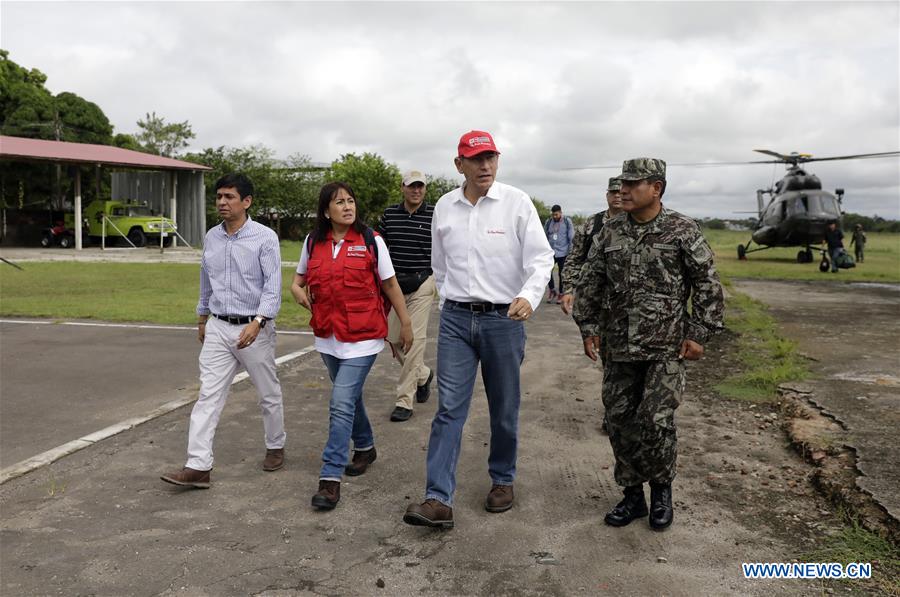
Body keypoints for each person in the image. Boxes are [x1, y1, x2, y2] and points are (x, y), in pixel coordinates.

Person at [403, 130, 554, 529]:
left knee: (504, 407)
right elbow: (440, 264)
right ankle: (438, 498)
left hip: (503, 320)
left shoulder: (516, 203)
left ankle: (502, 479)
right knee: (449, 409)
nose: (485, 165)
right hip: (455, 320)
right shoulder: (445, 208)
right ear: (460, 165)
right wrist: (447, 301)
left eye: (491, 157)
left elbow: (542, 259)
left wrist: (529, 295)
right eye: (476, 159)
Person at [574, 158, 724, 531]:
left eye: (632, 184)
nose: (622, 190)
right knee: (620, 420)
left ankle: (661, 491)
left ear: (656, 188)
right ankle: (631, 497)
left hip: (665, 348)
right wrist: (588, 326)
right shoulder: (610, 231)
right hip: (619, 345)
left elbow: (706, 282)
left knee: (655, 421)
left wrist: (699, 332)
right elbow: (591, 282)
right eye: (621, 183)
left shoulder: (682, 229)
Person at [291, 182, 413, 511]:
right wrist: (296, 290)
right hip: (327, 335)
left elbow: (389, 284)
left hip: (364, 337)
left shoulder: (372, 241)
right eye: (339, 202)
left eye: (350, 201)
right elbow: (298, 279)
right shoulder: (312, 242)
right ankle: (366, 446)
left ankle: (330, 479)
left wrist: (406, 323)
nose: (347, 207)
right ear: (325, 211)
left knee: (340, 401)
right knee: (350, 398)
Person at [161, 173, 285, 489]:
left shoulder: (265, 237)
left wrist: (258, 322)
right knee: (208, 396)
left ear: (247, 201)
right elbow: (206, 279)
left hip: (254, 328)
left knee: (268, 393)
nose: (221, 202)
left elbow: (272, 287)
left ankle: (275, 444)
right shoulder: (212, 237)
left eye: (229, 197)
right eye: (219, 196)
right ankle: (198, 466)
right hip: (218, 326)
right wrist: (202, 318)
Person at [377, 170, 436, 423]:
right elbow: (378, 247)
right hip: (396, 284)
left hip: (424, 281)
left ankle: (404, 401)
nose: (416, 191)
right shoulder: (390, 215)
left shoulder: (436, 214)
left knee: (414, 341)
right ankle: (423, 375)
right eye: (412, 186)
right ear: (403, 187)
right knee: (393, 339)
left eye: (420, 186)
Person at [559, 177, 623, 316]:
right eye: (613, 192)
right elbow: (575, 257)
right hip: (594, 299)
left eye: (620, 192)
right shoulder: (592, 223)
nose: (617, 196)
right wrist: (569, 290)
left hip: (624, 302)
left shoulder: (637, 223)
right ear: (607, 196)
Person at [544, 204, 575, 303]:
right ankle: (552, 290)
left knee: (562, 274)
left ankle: (561, 294)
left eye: (556, 215)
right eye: (553, 215)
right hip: (551, 252)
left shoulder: (567, 221)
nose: (554, 217)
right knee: (546, 272)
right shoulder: (549, 222)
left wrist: (571, 252)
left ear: (561, 213)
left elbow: (571, 237)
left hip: (563, 252)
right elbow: (544, 236)